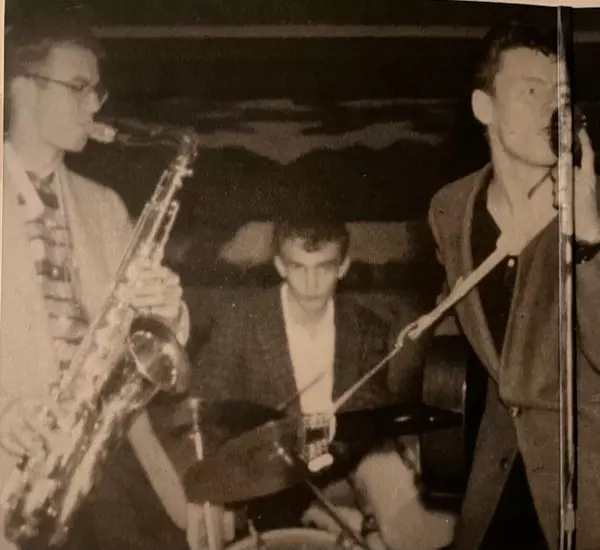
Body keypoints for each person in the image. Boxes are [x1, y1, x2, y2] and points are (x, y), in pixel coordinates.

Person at [2, 14, 194, 550]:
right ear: (21, 86)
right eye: (78, 87)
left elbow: (147, 340)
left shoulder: (105, 205)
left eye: (97, 91)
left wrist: (167, 310)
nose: (94, 106)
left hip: (108, 464)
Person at [428, 22, 600, 550]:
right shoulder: (450, 208)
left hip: (589, 478)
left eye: (561, 94)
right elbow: (461, 320)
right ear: (484, 108)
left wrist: (590, 241)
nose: (554, 107)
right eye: (530, 91)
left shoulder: (596, 205)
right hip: (498, 474)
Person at [189, 218, 456, 550]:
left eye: (324, 267)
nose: (311, 283)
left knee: (420, 533)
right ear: (280, 266)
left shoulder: (367, 325)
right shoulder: (241, 321)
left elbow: (370, 404)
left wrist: (328, 445)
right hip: (268, 469)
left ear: (343, 266)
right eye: (298, 267)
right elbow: (208, 403)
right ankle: (334, 518)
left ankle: (348, 519)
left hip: (346, 455)